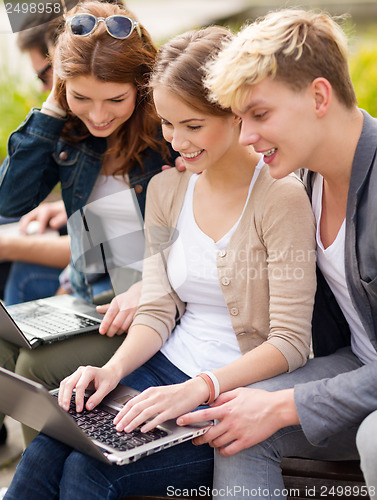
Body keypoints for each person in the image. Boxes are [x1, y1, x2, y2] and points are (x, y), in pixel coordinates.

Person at [3, 25, 316, 499]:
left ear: (236, 115)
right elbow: (158, 306)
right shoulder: (168, 189)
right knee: (47, 449)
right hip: (160, 369)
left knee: (87, 477)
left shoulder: (280, 197)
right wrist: (111, 372)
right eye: (168, 125)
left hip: (232, 393)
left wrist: (199, 388)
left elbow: (291, 343)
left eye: (193, 126)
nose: (176, 142)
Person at [176, 9, 377, 499]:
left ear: (319, 96)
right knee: (238, 419)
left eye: (260, 115)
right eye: (241, 119)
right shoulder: (302, 180)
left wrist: (288, 406)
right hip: (356, 365)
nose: (246, 137)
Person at [0, 0, 176, 445]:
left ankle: (58, 468)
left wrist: (151, 289)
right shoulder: (72, 136)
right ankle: (38, 473)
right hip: (94, 299)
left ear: (142, 85)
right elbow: (10, 200)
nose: (97, 115)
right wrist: (55, 109)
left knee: (34, 369)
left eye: (115, 99)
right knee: (3, 345)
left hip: (155, 307)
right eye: (81, 97)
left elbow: (205, 236)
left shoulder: (170, 137)